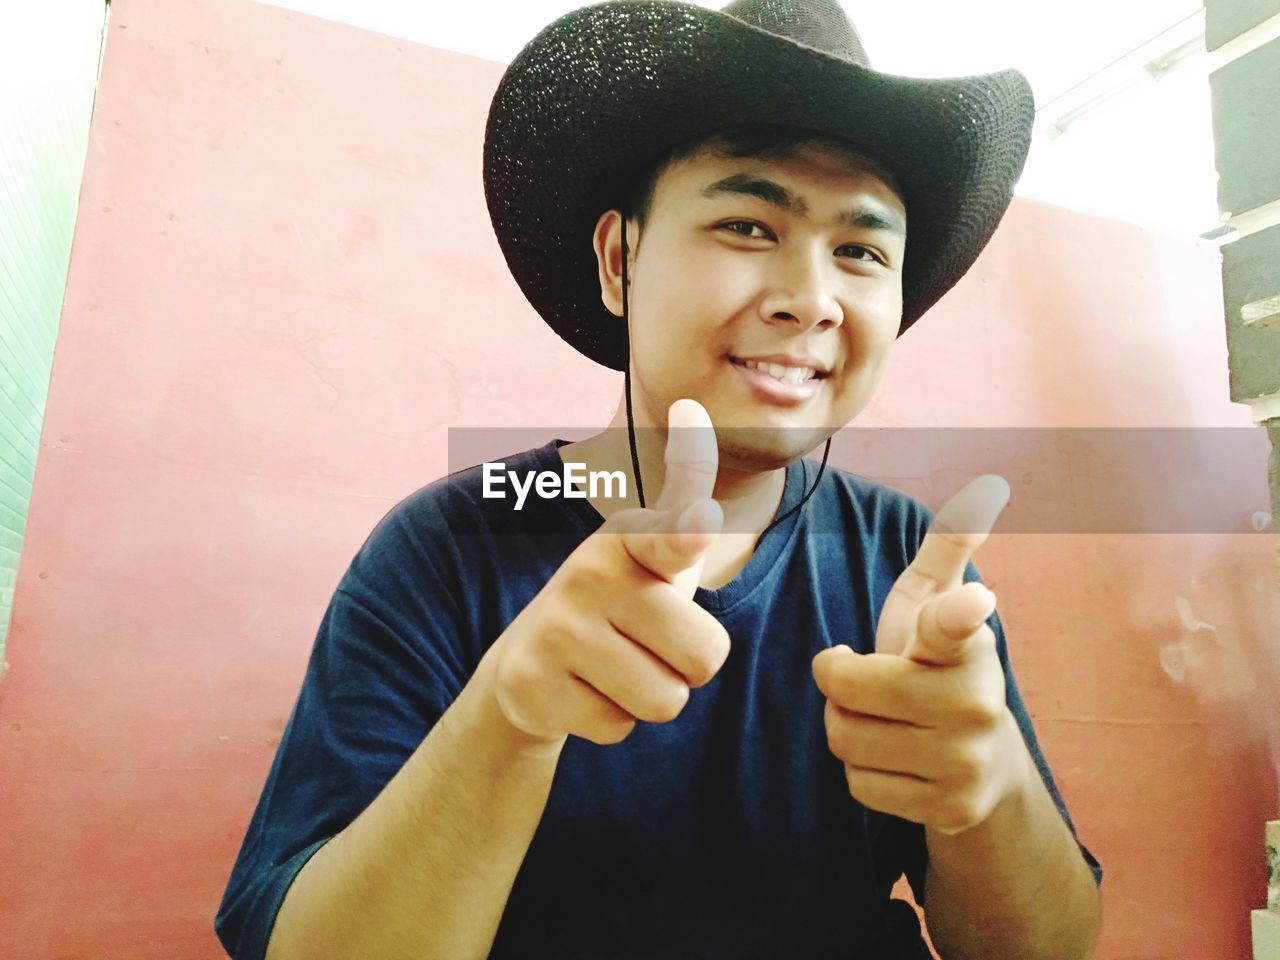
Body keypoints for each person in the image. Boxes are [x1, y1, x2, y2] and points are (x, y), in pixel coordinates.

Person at [215, 1, 1104, 958]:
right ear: (618, 260)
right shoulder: (452, 544)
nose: (810, 300)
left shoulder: (906, 561)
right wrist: (509, 714)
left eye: (859, 251)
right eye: (747, 224)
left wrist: (988, 791)